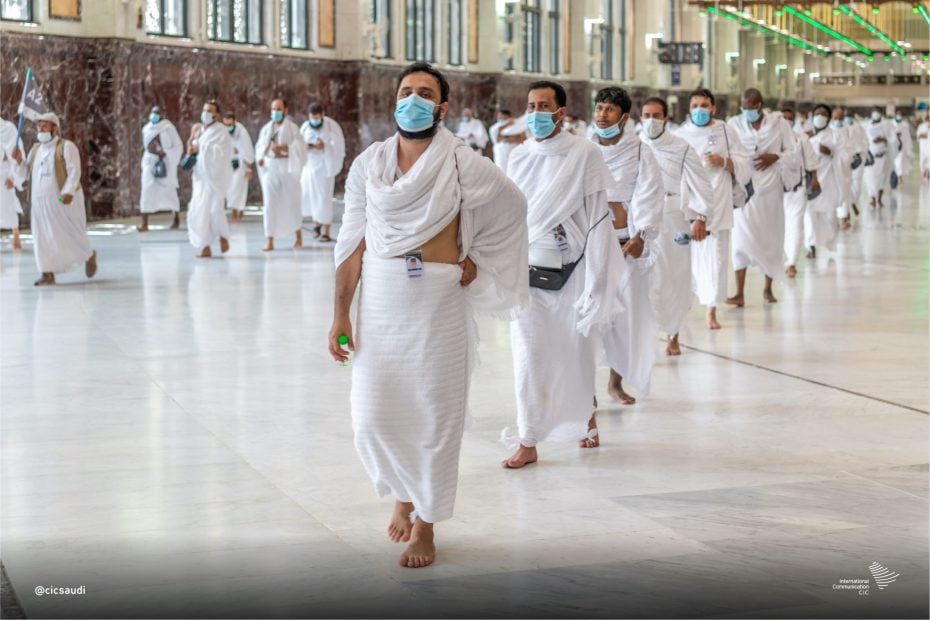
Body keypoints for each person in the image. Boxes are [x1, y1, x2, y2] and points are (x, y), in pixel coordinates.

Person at [329, 62, 528, 569]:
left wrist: (476, 263)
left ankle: (427, 521)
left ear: (442, 107)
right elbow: (351, 242)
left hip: (438, 299)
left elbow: (513, 207)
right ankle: (401, 489)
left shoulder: (462, 162)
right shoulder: (369, 164)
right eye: (405, 92)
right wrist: (340, 314)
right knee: (370, 419)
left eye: (424, 93)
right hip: (381, 298)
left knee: (436, 418)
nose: (412, 100)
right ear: (393, 101)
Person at [504, 80, 625, 467]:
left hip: (572, 271)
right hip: (526, 269)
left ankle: (586, 416)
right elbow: (506, 216)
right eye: (531, 105)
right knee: (528, 355)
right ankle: (528, 439)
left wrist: (597, 282)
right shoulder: (518, 156)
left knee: (575, 351)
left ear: (561, 112)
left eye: (544, 106)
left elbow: (598, 222)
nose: (536, 112)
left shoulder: (584, 153)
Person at [590, 87, 663, 404]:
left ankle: (615, 383)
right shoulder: (584, 149)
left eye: (609, 109)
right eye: (599, 108)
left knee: (623, 319)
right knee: (588, 316)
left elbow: (649, 192)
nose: (602, 115)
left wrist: (641, 235)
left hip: (625, 244)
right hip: (589, 245)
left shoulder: (640, 152)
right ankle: (585, 389)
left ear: (624, 117)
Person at [640, 96, 716, 355]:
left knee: (676, 277)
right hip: (642, 220)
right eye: (646, 115)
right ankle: (646, 336)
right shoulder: (635, 146)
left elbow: (701, 183)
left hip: (675, 219)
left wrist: (701, 217)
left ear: (666, 118)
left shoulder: (681, 148)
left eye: (656, 115)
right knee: (647, 279)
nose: (651, 120)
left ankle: (674, 333)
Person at [673, 88, 751, 329]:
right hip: (689, 203)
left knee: (717, 258)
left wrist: (724, 162)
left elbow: (744, 163)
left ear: (713, 108)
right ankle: (685, 306)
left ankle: (711, 310)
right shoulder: (680, 135)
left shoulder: (725, 131)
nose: (699, 110)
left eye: (704, 105)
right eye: (695, 105)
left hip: (718, 200)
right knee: (688, 258)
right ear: (689, 109)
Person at [726, 88, 799, 306]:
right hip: (745, 187)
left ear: (760, 105)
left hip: (771, 189)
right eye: (744, 108)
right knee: (740, 240)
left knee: (771, 238)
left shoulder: (778, 123)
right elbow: (727, 152)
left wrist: (774, 157)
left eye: (751, 107)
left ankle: (768, 289)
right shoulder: (734, 125)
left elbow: (794, 153)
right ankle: (739, 293)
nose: (747, 111)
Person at [12, 112, 97, 285]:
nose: (40, 129)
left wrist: (68, 191)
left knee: (70, 234)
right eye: (39, 126)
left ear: (55, 129)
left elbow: (74, 172)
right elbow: (24, 174)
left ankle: (88, 255)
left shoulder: (66, 147)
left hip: (61, 201)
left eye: (44, 126)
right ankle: (47, 273)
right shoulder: (35, 150)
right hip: (38, 203)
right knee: (41, 237)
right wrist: (19, 161)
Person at [256, 98, 305, 251]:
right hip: (270, 169)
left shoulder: (292, 128)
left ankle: (298, 236)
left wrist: (284, 148)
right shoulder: (266, 129)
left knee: (292, 202)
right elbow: (259, 146)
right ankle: (269, 239)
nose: (275, 112)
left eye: (278, 109)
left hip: (287, 169)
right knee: (269, 203)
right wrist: (261, 158)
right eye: (273, 109)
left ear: (285, 110)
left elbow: (300, 148)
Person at [186, 100, 233, 258]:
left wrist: (202, 149)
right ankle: (204, 246)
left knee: (214, 210)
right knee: (198, 211)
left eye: (210, 111)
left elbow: (223, 153)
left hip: (214, 178)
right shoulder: (199, 129)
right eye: (204, 110)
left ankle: (223, 236)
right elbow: (192, 146)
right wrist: (191, 147)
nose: (206, 113)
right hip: (200, 177)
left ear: (217, 115)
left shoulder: (221, 132)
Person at [804, 104, 848, 260]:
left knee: (829, 217)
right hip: (810, 181)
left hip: (828, 181)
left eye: (823, 115)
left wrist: (831, 152)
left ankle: (828, 243)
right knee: (809, 216)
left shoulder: (836, 136)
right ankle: (810, 246)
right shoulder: (805, 135)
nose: (820, 117)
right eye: (817, 114)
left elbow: (845, 157)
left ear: (828, 119)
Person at [780, 108, 819, 278]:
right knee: (781, 226)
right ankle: (784, 257)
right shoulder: (770, 140)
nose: (787, 121)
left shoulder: (801, 138)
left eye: (790, 118)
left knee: (795, 224)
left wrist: (814, 179)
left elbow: (811, 161)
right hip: (776, 191)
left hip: (798, 188)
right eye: (784, 118)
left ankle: (792, 263)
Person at [299, 103, 346, 243]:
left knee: (324, 198)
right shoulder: (305, 127)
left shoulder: (331, 126)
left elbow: (339, 146)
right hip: (309, 167)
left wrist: (325, 146)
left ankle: (326, 231)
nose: (314, 120)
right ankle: (316, 226)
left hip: (325, 168)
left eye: (317, 118)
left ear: (322, 115)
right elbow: (298, 144)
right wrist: (306, 147)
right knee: (311, 197)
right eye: (312, 118)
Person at [138, 106, 183, 232]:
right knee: (146, 189)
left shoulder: (168, 128)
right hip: (150, 161)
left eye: (157, 113)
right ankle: (144, 223)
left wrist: (166, 153)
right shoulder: (146, 128)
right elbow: (145, 146)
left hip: (165, 162)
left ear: (161, 115)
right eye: (153, 113)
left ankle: (176, 218)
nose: (154, 116)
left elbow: (178, 146)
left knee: (169, 190)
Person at [222, 111, 255, 224]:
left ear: (234, 121)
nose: (228, 127)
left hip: (241, 165)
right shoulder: (222, 131)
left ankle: (235, 213)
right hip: (228, 164)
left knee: (237, 188)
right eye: (226, 124)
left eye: (230, 124)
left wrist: (249, 168)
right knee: (229, 189)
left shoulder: (242, 132)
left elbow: (248, 150)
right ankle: (238, 211)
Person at [863, 107, 898, 208]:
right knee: (870, 179)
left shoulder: (887, 125)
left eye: (878, 112)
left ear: (881, 113)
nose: (876, 114)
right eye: (874, 112)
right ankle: (872, 199)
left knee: (882, 179)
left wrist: (884, 139)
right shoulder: (866, 125)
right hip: (871, 158)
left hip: (883, 156)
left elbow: (893, 138)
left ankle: (879, 199)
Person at [1, 116, 25, 250]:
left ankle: (15, 233)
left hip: (4, 173)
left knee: (8, 203)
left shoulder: (7, 128)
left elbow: (16, 155)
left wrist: (13, 177)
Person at [842, 110, 869, 221]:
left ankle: (853, 202)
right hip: (843, 160)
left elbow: (866, 143)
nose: (847, 117)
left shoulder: (859, 128)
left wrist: (862, 156)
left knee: (856, 185)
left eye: (849, 115)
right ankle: (846, 211)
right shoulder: (839, 128)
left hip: (857, 158)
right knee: (844, 185)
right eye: (845, 116)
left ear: (852, 116)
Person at [488, 109, 525, 174]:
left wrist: (513, 139)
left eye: (501, 116)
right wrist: (507, 125)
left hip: (513, 149)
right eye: (498, 116)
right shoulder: (496, 126)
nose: (499, 117)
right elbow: (497, 138)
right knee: (502, 170)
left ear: (507, 116)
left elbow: (522, 138)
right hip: (501, 152)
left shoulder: (517, 124)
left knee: (514, 170)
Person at [893, 109, 913, 189]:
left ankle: (900, 177)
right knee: (895, 163)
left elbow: (908, 137)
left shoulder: (905, 125)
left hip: (902, 146)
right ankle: (897, 177)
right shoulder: (892, 124)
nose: (899, 115)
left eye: (900, 114)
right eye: (897, 114)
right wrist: (895, 135)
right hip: (894, 146)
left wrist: (909, 148)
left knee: (900, 161)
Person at [917, 115, 929, 181]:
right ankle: (924, 173)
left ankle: (927, 175)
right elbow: (918, 135)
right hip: (923, 147)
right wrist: (923, 135)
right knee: (922, 161)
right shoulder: (921, 126)